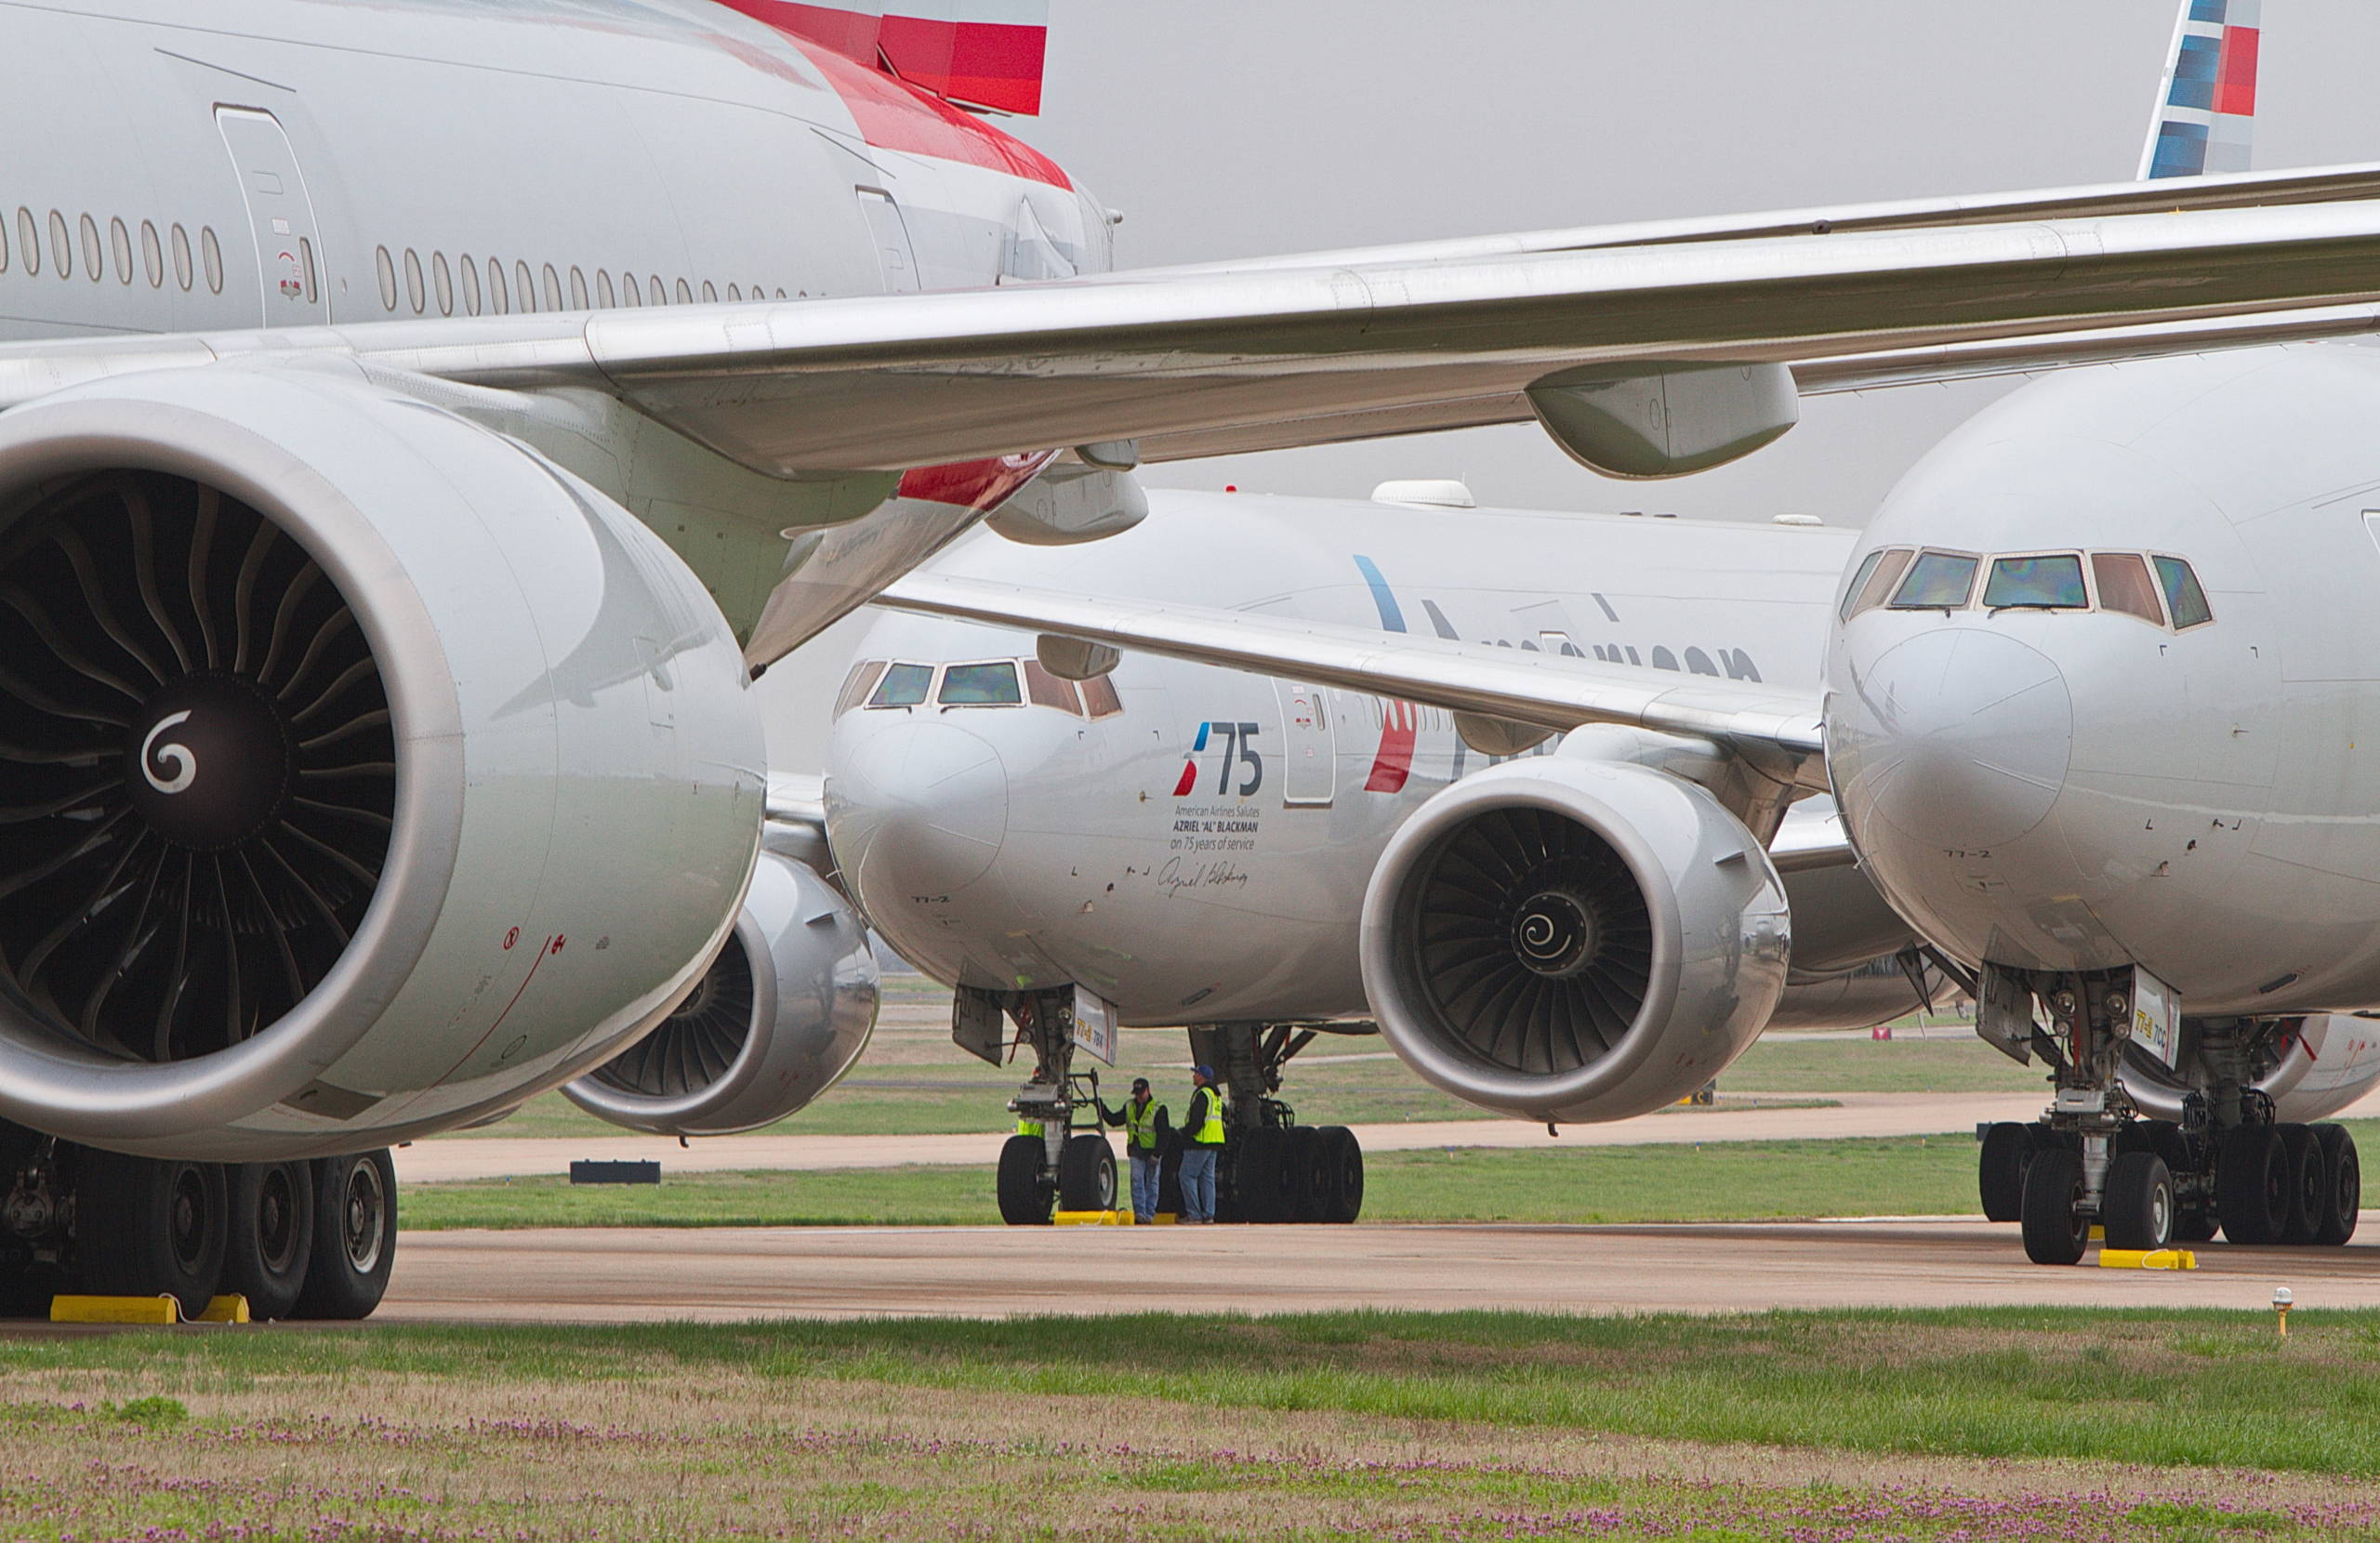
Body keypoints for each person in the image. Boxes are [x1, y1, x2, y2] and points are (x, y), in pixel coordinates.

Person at [1095, 1077, 1169, 1223]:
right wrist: (1102, 1108)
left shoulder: (1158, 1108)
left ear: (1148, 1091)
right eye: (1136, 1094)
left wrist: (1158, 1153)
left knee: (1152, 1183)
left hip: (1152, 1152)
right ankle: (1140, 1213)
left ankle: (1149, 1214)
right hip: (1136, 1150)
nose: (1139, 1097)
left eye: (1141, 1093)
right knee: (1137, 1181)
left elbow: (1164, 1134)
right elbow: (1115, 1120)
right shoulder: (1129, 1106)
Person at [1177, 1065, 1226, 1223]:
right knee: (1207, 1178)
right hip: (1215, 1141)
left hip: (1200, 1141)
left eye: (1196, 1073)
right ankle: (1209, 1214)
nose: (1193, 1076)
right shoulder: (1216, 1095)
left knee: (1187, 1175)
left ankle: (1194, 1214)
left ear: (1202, 1076)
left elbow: (1197, 1121)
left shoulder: (1202, 1094)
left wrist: (1184, 1133)